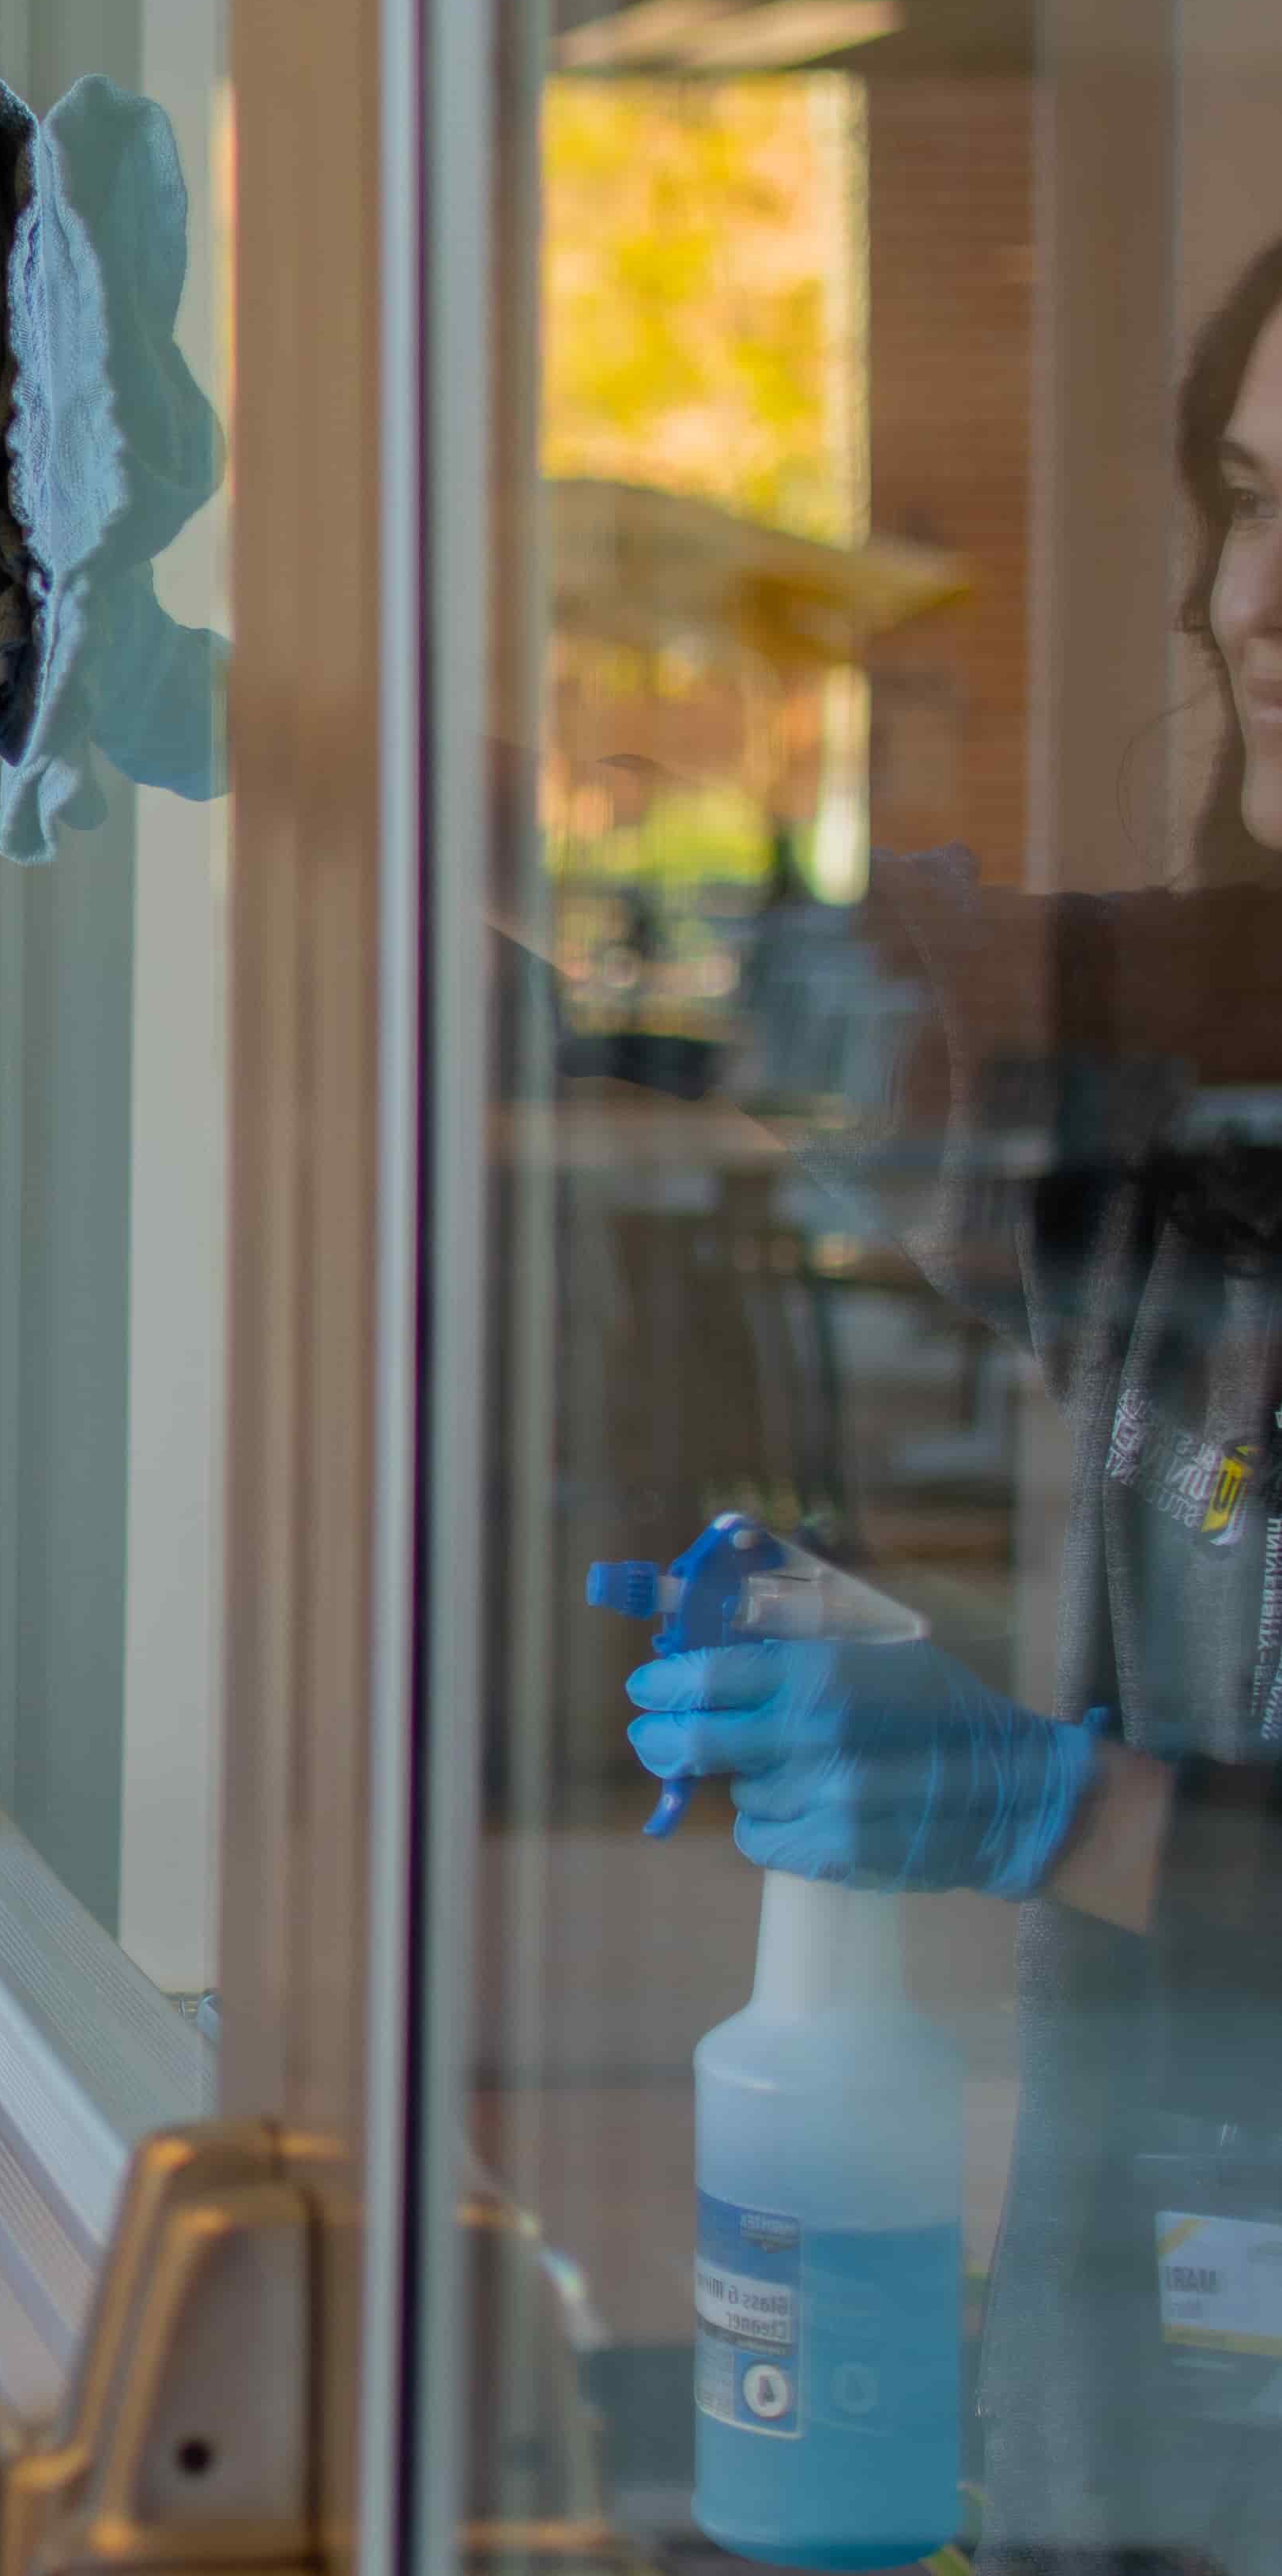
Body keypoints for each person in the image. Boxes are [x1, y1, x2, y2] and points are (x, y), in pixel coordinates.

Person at [624, 229, 1282, 2568]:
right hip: (1135, 2442)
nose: (1249, 607)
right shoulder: (1195, 1105)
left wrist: (1052, 1814)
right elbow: (694, 947)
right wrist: (221, 708)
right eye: (1240, 496)